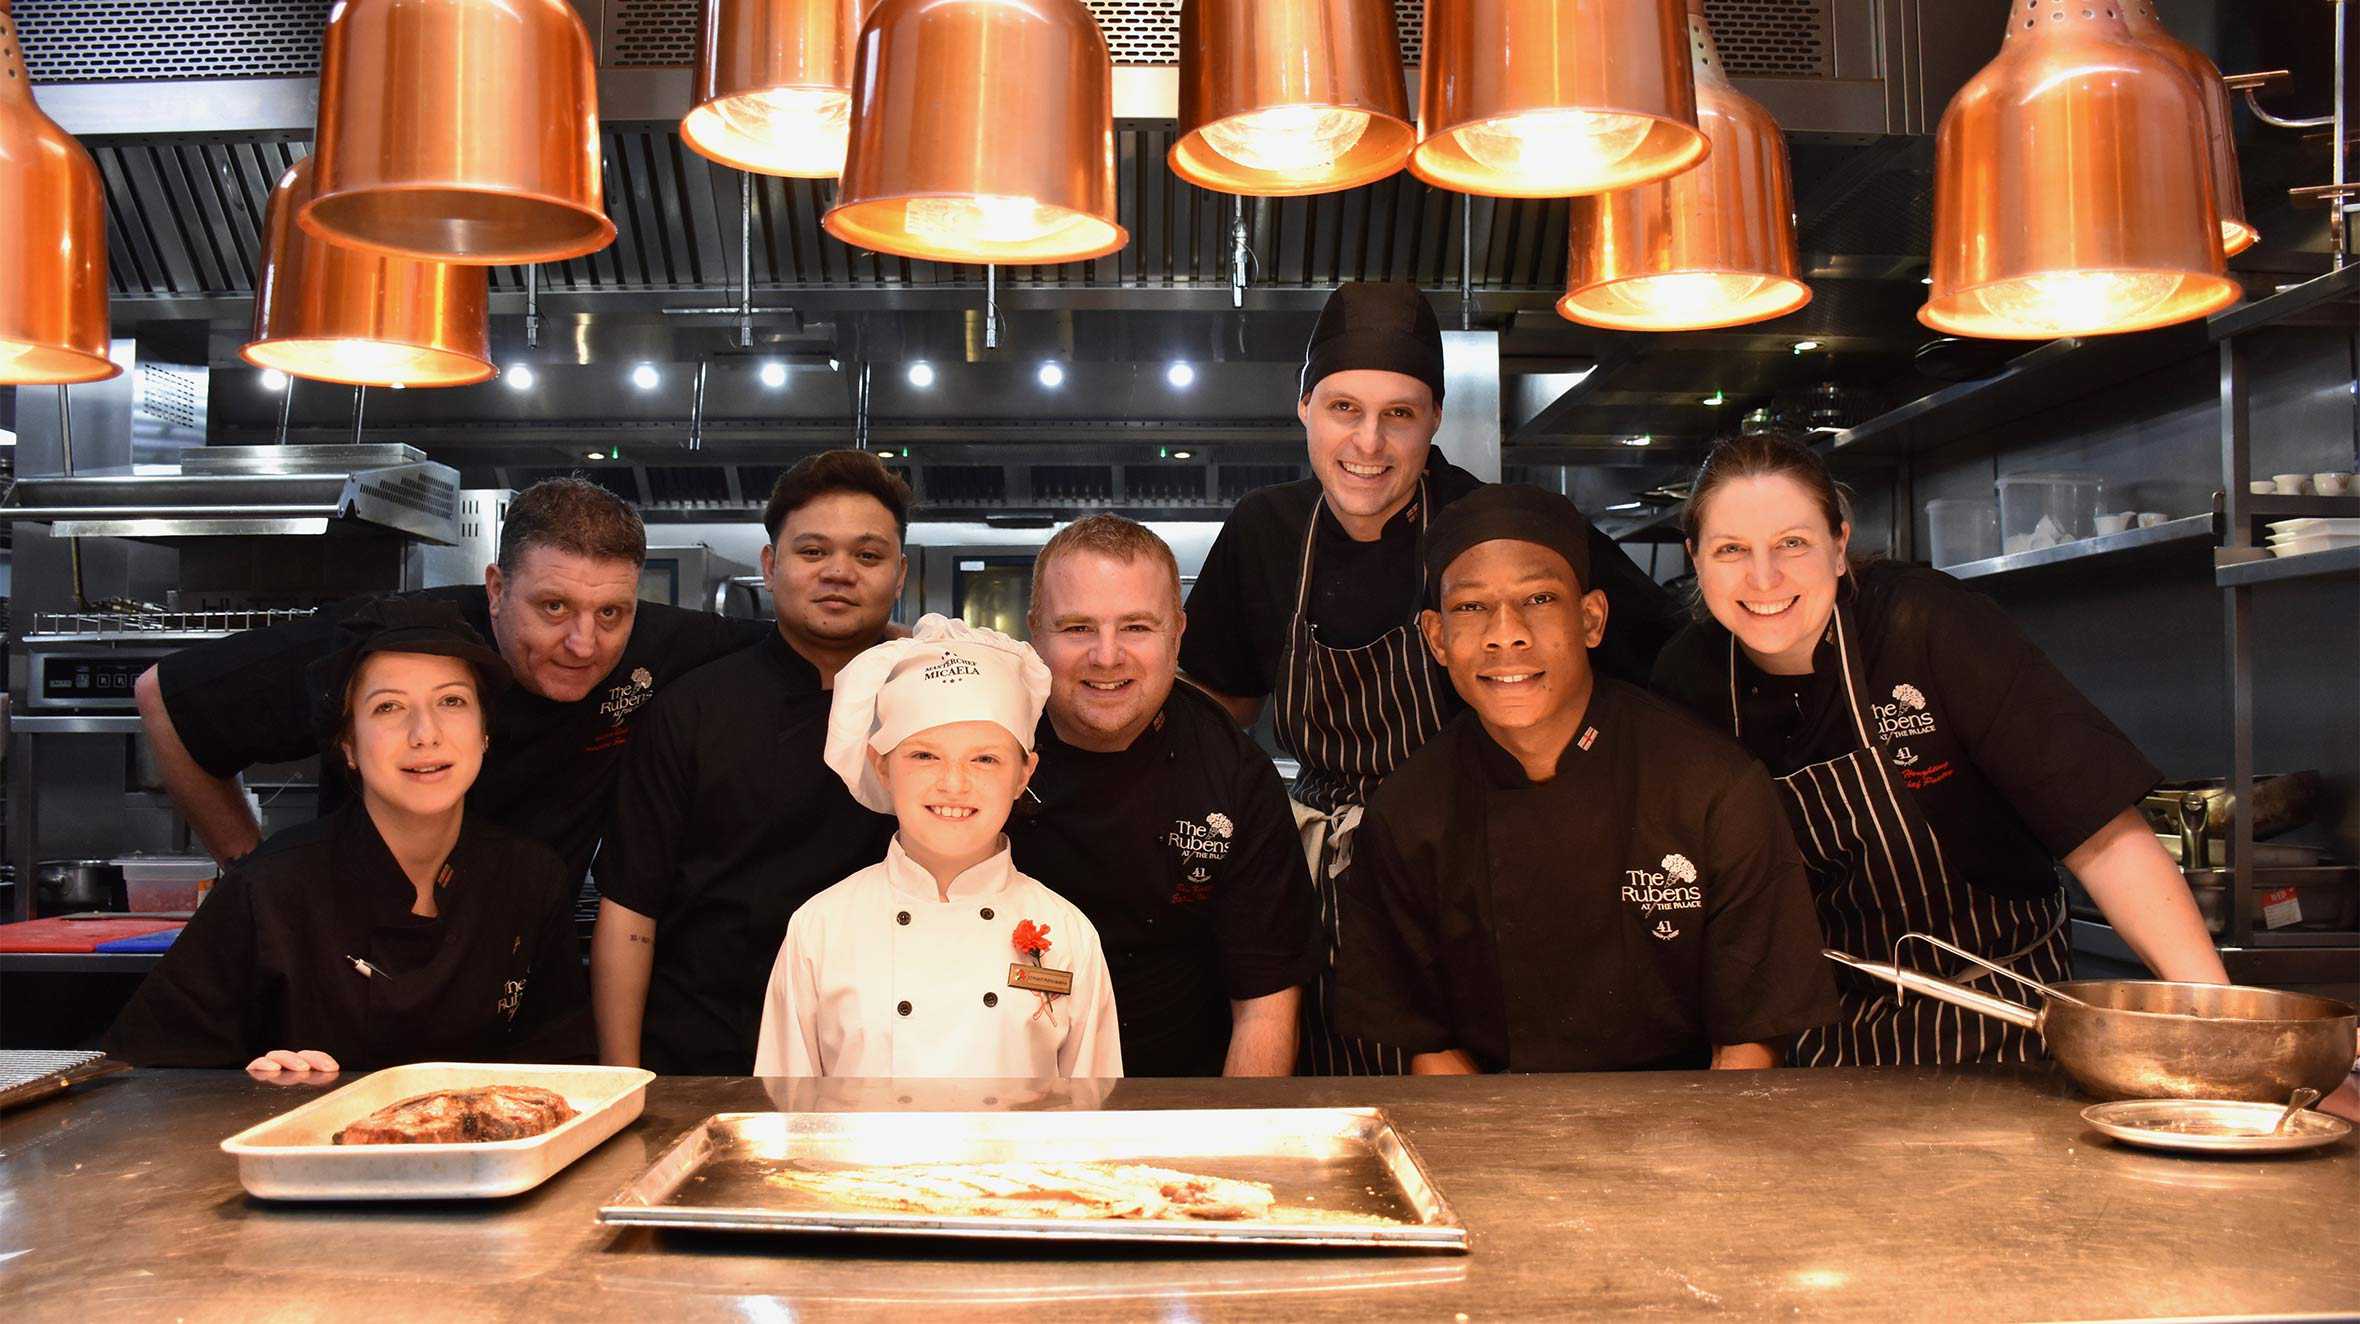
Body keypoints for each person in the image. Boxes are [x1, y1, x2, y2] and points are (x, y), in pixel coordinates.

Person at [1179, 280, 1685, 1074]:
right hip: (1324, 878)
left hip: (1483, 868)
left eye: (1400, 415)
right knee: (1334, 1087)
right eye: (1345, 408)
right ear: (1304, 405)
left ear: (1436, 420)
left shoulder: (1498, 530)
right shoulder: (1266, 532)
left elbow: (1662, 664)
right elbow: (1214, 715)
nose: (1369, 443)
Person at [1649, 431, 2229, 1067]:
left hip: (1998, 1025)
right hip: (1813, 1045)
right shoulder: (1689, 681)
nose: (1765, 577)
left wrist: (2220, 1022)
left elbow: (2099, 833)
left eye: (1793, 542)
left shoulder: (1926, 626)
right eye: (1732, 549)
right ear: (1695, 560)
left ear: (1840, 547)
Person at [1337, 486, 1839, 1073]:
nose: (1507, 633)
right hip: (1488, 1131)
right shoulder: (1409, 810)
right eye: (1472, 607)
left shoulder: (1712, 788)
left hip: (1688, 1128)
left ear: (1591, 619)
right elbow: (1429, 1046)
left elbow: (1750, 1042)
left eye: (1540, 598)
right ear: (1438, 638)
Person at [135, 477, 770, 884]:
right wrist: (255, 879)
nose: (584, 643)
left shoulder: (652, 642)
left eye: (611, 613)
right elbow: (164, 697)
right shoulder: (388, 638)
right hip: (362, 953)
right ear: (496, 589)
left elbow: (803, 649)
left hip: (526, 951)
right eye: (552, 608)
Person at [104, 599, 592, 1074]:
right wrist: (251, 1087)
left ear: (484, 732)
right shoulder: (272, 890)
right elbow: (144, 1076)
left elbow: (568, 1073)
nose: (426, 733)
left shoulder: (529, 879)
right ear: (348, 745)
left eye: (451, 701)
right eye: (388, 707)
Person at [592, 452, 906, 1074]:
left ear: (898, 575)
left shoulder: (931, 704)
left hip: (889, 1055)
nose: (839, 573)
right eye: (813, 552)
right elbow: (631, 911)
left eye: (867, 557)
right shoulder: (693, 707)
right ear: (772, 565)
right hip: (709, 1051)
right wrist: (623, 1082)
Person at [1008, 515, 1316, 1077]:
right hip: (999, 1085)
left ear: (1178, 631)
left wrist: (1231, 1151)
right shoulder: (982, 746)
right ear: (1036, 633)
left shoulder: (1233, 773)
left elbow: (1266, 1005)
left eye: (1136, 628)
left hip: (1180, 1088)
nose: (1107, 657)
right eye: (1077, 628)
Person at [754, 616, 1121, 1078]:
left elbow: (1091, 1119)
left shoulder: (1069, 934)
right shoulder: (820, 929)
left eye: (985, 759)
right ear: (882, 767)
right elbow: (786, 1115)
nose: (953, 783)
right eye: (924, 755)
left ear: (1023, 774)